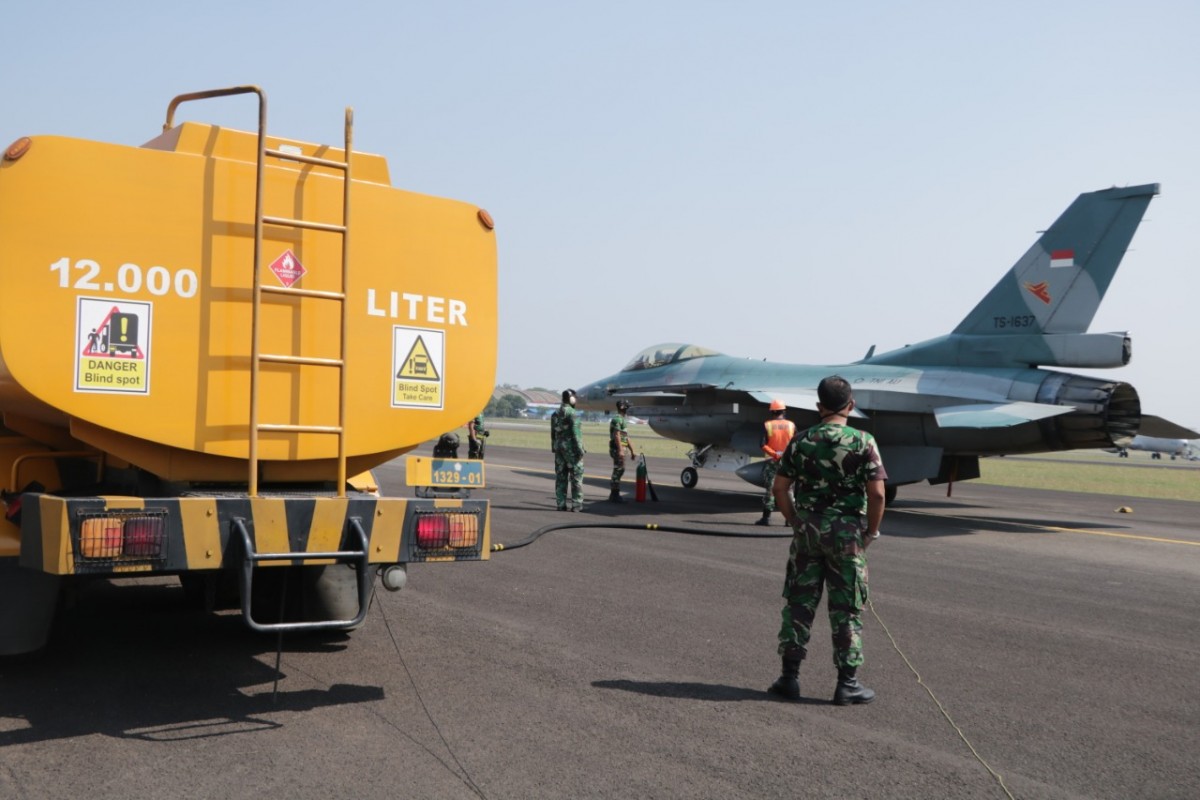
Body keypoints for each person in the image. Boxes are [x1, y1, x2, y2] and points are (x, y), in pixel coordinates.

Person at [768, 375, 886, 705]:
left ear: (818, 406)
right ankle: (847, 684)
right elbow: (877, 495)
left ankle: (789, 679)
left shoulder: (802, 440)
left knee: (799, 604)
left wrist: (795, 520)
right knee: (846, 609)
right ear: (851, 405)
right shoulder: (864, 441)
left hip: (808, 533)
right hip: (847, 536)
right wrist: (870, 533)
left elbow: (779, 488)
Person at [756, 399, 796, 525]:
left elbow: (762, 444)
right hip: (787, 461)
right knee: (789, 489)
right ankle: (790, 520)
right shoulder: (791, 425)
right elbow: (796, 443)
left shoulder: (768, 425)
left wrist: (775, 454)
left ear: (772, 411)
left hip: (772, 461)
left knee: (770, 488)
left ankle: (766, 518)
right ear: (783, 411)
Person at [552, 389, 585, 511]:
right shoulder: (573, 413)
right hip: (571, 450)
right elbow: (576, 434)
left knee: (561, 477)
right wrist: (580, 450)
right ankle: (576, 505)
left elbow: (553, 433)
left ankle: (560, 504)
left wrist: (554, 447)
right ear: (571, 399)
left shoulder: (555, 413)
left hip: (559, 449)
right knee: (576, 476)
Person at [607, 400, 638, 502]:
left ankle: (614, 494)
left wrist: (632, 450)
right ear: (622, 407)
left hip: (621, 448)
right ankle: (614, 494)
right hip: (617, 449)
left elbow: (625, 436)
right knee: (618, 470)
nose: (628, 409)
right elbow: (617, 435)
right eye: (626, 407)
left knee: (620, 469)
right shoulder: (617, 419)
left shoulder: (622, 420)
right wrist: (620, 450)